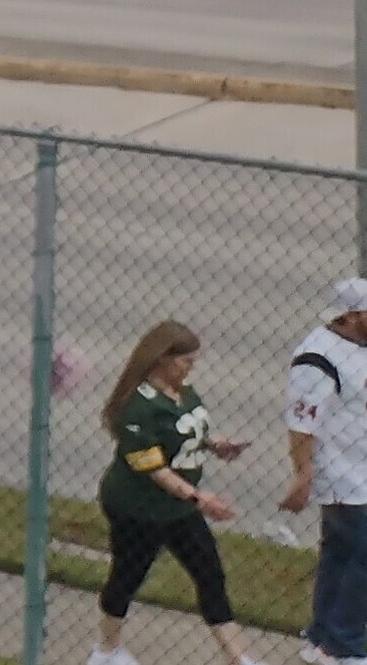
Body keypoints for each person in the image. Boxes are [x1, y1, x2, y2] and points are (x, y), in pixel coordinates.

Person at [92, 317, 263, 665]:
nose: (192, 367)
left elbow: (185, 432)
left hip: (178, 508)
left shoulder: (184, 392)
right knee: (128, 576)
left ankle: (237, 658)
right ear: (162, 359)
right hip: (138, 508)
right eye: (186, 361)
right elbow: (153, 467)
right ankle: (106, 651)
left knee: (210, 574)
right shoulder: (138, 407)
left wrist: (215, 444)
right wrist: (200, 498)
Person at [282, 278, 367, 665]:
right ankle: (344, 645)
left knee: (341, 553)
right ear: (351, 316)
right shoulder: (316, 359)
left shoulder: (356, 344)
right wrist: (303, 473)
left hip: (360, 469)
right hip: (340, 473)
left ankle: (321, 640)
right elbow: (302, 424)